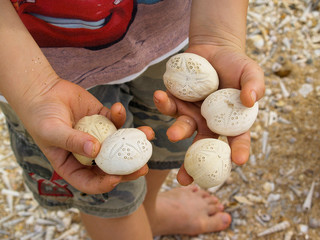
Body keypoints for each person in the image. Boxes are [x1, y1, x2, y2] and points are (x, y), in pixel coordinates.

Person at [0, 0, 265, 239]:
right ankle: (130, 219)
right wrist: (36, 89)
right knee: (105, 189)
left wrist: (217, 35)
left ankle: (149, 212)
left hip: (169, 36)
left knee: (161, 140)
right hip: (32, 68)